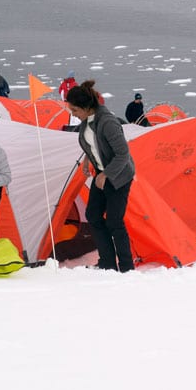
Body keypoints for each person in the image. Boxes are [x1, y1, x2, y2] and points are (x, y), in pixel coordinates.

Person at [66, 80, 136, 272]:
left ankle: (126, 266)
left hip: (119, 176)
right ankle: (107, 262)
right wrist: (89, 160)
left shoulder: (108, 122)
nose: (73, 114)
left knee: (114, 221)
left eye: (75, 110)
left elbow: (123, 154)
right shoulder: (87, 121)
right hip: (102, 174)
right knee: (93, 216)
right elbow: (94, 144)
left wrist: (106, 173)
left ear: (87, 107)